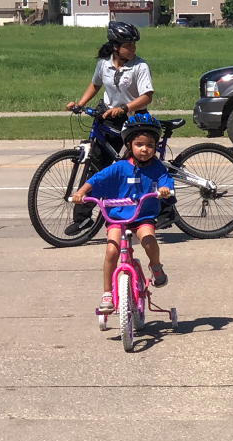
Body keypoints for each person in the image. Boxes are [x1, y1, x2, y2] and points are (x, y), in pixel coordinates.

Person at [65, 21, 175, 235]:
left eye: (134, 45)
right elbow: (95, 85)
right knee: (96, 166)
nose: (133, 49)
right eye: (128, 45)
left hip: (135, 118)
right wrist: (80, 103)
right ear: (115, 46)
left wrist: (124, 108)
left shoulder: (139, 66)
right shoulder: (103, 64)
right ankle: (83, 219)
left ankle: (165, 210)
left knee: (141, 162)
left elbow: (147, 97)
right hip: (108, 116)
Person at [71, 114, 175, 314]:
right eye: (139, 144)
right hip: (117, 218)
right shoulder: (119, 167)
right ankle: (107, 294)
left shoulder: (157, 168)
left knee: (149, 241)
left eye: (150, 145)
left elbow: (165, 180)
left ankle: (156, 267)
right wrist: (81, 192)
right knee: (111, 251)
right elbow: (97, 179)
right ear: (129, 144)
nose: (145, 149)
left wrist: (164, 189)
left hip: (142, 217)